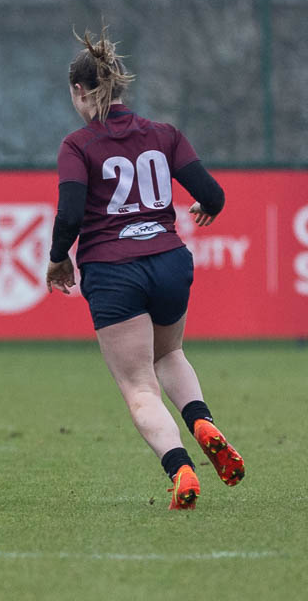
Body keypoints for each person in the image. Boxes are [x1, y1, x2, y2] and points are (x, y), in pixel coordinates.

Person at [45, 27, 244, 510]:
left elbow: (70, 213)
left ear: (79, 90)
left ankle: (181, 471)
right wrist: (203, 208)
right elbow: (213, 195)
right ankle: (201, 419)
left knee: (138, 386)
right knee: (169, 354)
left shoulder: (78, 145)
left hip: (115, 269)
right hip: (170, 261)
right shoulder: (164, 134)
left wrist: (57, 261)